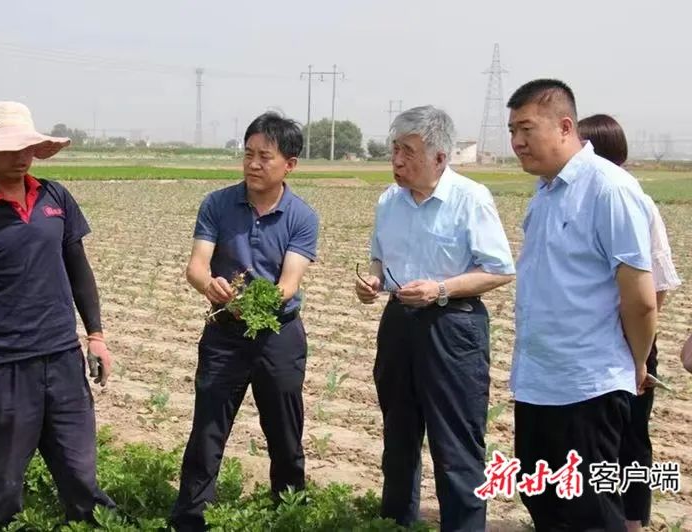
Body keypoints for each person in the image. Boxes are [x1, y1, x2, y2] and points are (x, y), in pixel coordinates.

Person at [0, 101, 115, 528]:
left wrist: (97, 337)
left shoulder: (55, 197)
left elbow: (79, 270)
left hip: (64, 359)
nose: (21, 156)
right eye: (9, 147)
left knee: (81, 475)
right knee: (3, 482)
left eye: (27, 146)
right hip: (3, 367)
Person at [355, 105, 515, 530]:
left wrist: (440, 289)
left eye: (408, 151)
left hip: (453, 326)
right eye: (395, 149)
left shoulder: (471, 198)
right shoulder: (389, 201)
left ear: (440, 158)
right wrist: (371, 282)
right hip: (399, 326)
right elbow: (378, 258)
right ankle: (395, 524)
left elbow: (499, 269)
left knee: (456, 447)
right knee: (399, 439)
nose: (397, 160)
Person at [508, 80, 657, 531]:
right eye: (512, 130)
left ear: (566, 126)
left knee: (589, 513)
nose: (516, 142)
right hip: (537, 381)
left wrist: (635, 361)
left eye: (527, 129)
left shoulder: (608, 189)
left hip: (588, 385)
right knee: (543, 500)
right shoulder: (545, 192)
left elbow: (641, 298)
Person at [170, 112, 319, 532]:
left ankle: (289, 511)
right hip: (224, 333)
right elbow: (196, 267)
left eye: (265, 157)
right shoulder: (217, 204)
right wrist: (211, 287)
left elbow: (288, 284)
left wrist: (256, 300)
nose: (253, 164)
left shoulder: (301, 217)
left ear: (289, 164)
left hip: (278, 334)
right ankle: (191, 516)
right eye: (248, 154)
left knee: (285, 432)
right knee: (208, 429)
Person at [578, 113, 681, 531]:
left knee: (631, 438)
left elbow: (656, 286)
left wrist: (638, 343)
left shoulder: (629, 198)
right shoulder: (581, 197)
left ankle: (633, 520)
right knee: (592, 439)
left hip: (629, 341)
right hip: (593, 342)